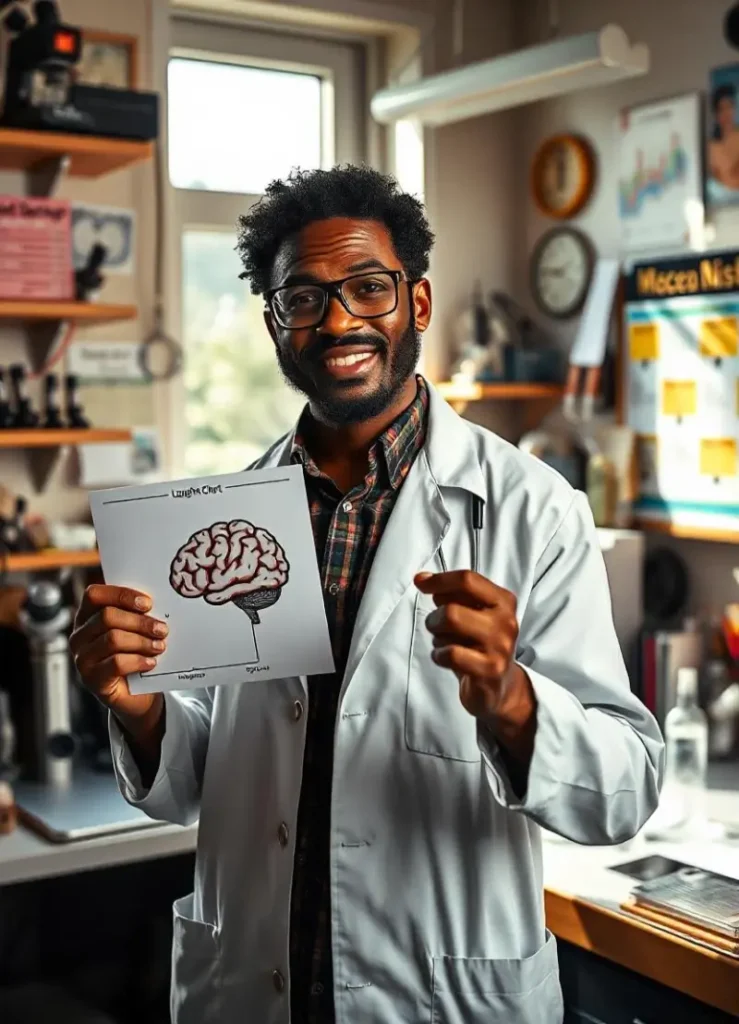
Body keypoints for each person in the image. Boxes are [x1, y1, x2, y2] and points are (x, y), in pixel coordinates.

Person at [70, 166, 663, 1024]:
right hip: (253, 985)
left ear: (416, 304)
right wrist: (137, 709)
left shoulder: (535, 511)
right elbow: (194, 784)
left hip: (443, 995)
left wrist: (512, 703)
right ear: (275, 326)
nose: (339, 320)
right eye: (302, 298)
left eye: (367, 288)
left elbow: (624, 792)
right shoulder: (226, 511)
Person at [709, 82, 739, 190]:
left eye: (729, 107)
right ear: (716, 115)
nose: (727, 113)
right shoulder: (712, 147)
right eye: (722, 109)